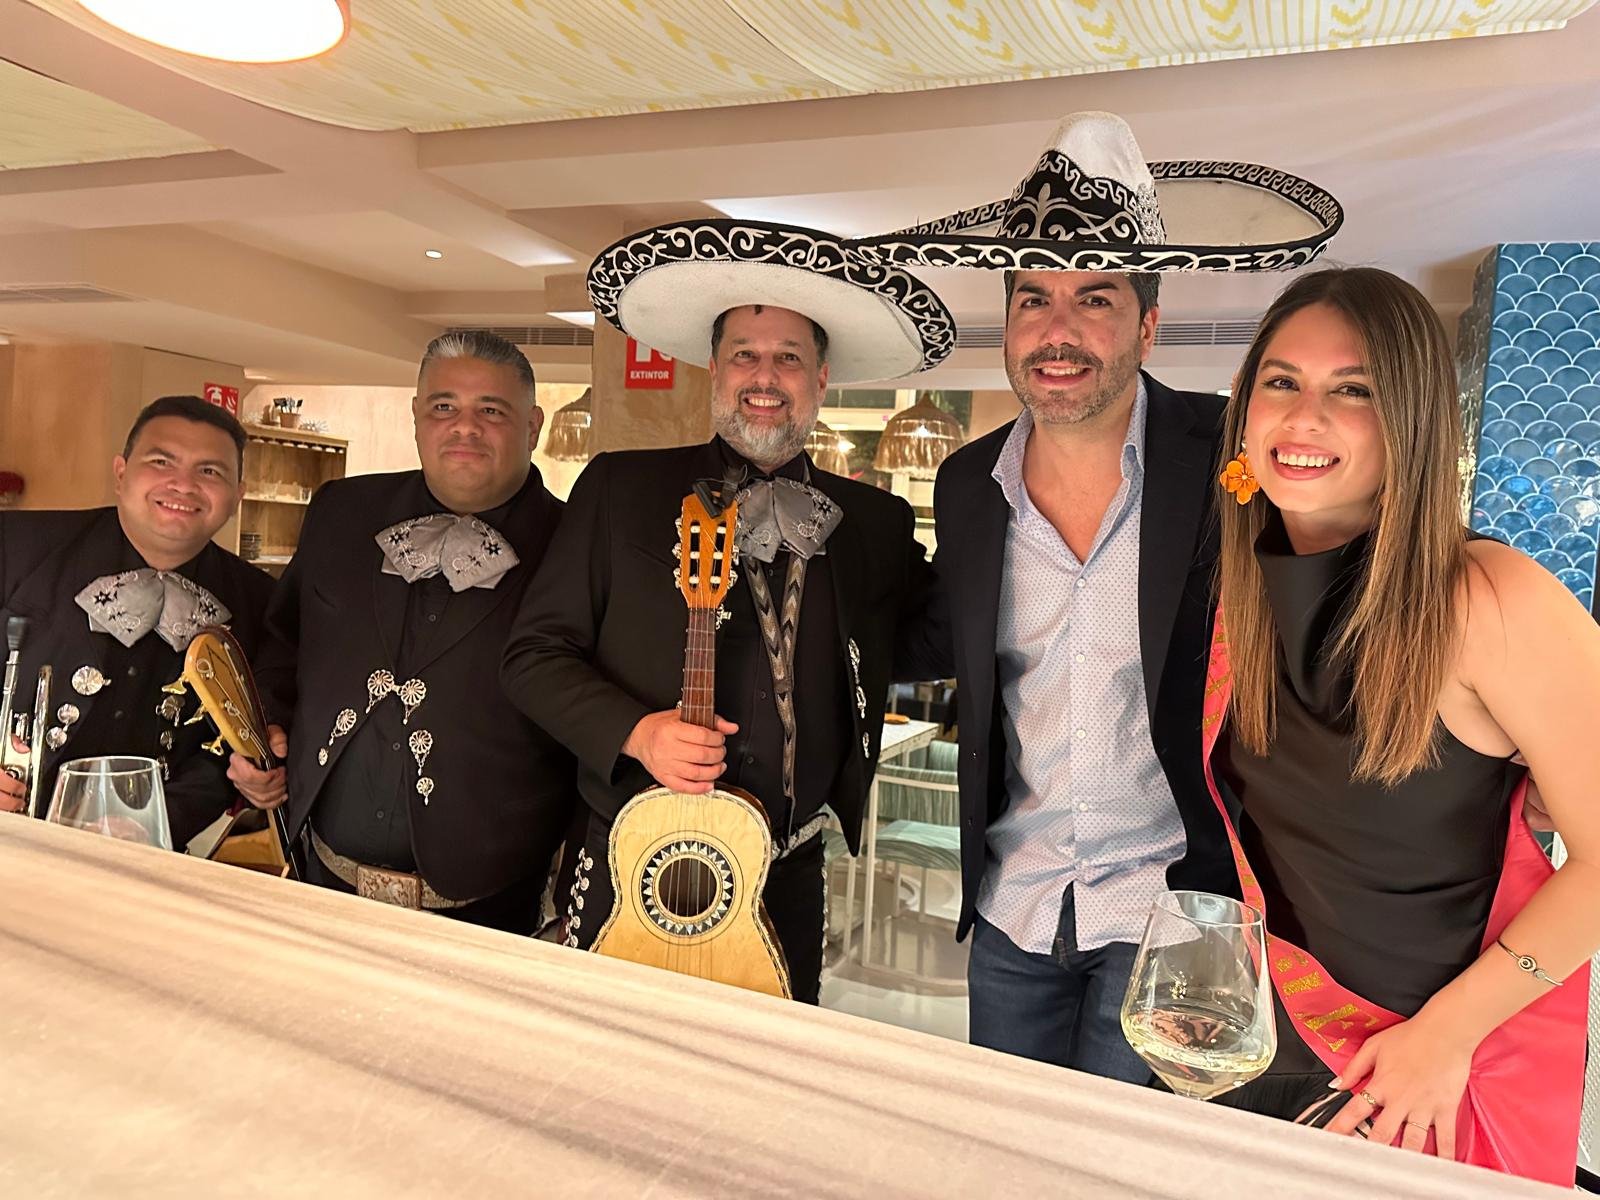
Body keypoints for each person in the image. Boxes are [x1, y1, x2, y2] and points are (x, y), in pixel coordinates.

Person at [856, 111, 1345, 1079]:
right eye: (1033, 298)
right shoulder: (964, 488)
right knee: (1011, 1156)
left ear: (1148, 323)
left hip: (1173, 909)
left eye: (1095, 298)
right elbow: (928, 637)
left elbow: (1337, 573)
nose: (1058, 331)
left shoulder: (1228, 460)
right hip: (1016, 907)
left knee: (1122, 1167)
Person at [1203, 266, 1597, 1185]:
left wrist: (1445, 1037)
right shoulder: (1247, 590)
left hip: (1447, 1067)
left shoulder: (1486, 598)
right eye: (1282, 382)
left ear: (1413, 422)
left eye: (1355, 390)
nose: (1304, 420)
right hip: (1288, 1044)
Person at [502, 217, 956, 1002]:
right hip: (630, 854)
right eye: (745, 354)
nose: (764, 376)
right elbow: (533, 657)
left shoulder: (873, 524)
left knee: (759, 1090)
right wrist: (637, 733)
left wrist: (998, 515)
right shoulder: (620, 490)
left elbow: (929, 640)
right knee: (598, 1064)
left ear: (821, 378)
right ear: (713, 369)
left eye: (789, 358)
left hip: (789, 870)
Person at [233, 331, 575, 934]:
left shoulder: (576, 545)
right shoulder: (341, 510)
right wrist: (263, 734)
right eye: (443, 406)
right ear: (417, 416)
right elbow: (284, 646)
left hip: (493, 908)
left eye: (491, 411)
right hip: (320, 879)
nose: (463, 427)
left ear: (534, 425)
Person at [0, 395, 273, 845]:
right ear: (121, 472)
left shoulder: (261, 602)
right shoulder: (17, 544)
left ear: (237, 495)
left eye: (210, 471)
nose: (183, 485)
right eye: (162, 461)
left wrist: (158, 822)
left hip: (149, 857)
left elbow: (231, 752)